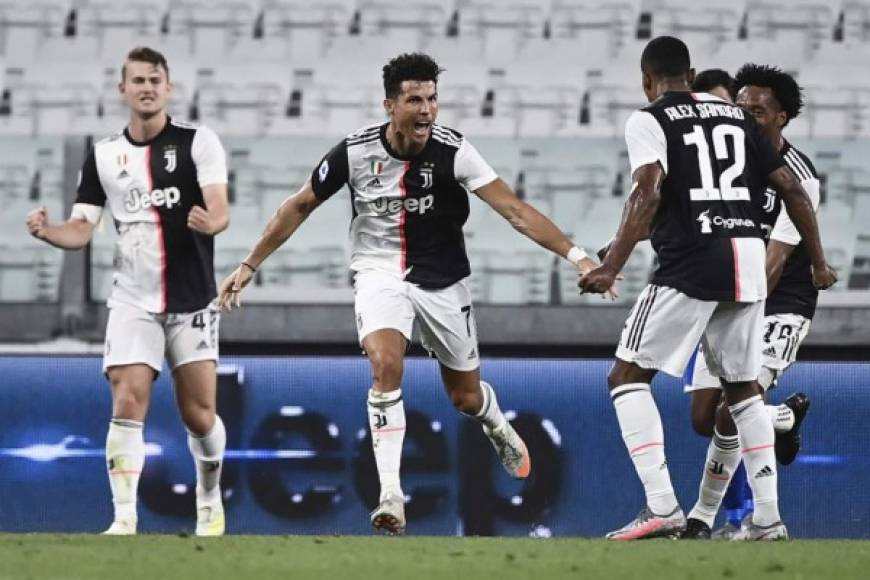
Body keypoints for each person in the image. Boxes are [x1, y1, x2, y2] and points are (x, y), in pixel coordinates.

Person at [217, 52, 609, 536]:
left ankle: (494, 423)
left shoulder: (454, 150)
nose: (426, 110)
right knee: (385, 363)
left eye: (432, 99)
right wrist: (250, 263)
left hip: (443, 280)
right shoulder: (354, 152)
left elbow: (514, 210)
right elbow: (299, 205)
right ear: (389, 104)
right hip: (379, 272)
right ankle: (390, 495)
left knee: (464, 397)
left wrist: (579, 256)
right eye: (415, 100)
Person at [579, 36, 836, 541]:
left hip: (692, 260)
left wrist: (612, 265)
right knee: (740, 392)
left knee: (627, 376)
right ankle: (767, 520)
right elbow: (790, 187)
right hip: (746, 259)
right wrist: (821, 262)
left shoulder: (647, 118)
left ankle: (662, 506)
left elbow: (648, 191)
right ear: (692, 73)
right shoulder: (734, 115)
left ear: (647, 79)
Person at [25, 47, 230, 536]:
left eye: (155, 79)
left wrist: (212, 221)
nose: (146, 87)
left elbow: (220, 207)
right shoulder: (103, 156)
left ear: (168, 87)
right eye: (137, 79)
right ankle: (123, 518)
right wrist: (50, 231)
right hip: (133, 299)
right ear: (123, 89)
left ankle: (208, 496)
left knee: (199, 416)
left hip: (192, 299)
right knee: (127, 399)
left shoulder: (199, 142)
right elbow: (83, 227)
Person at [682, 63, 820, 540]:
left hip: (779, 301)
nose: (746, 117)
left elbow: (776, 260)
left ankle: (703, 517)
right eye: (741, 108)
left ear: (782, 117)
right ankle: (780, 416)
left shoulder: (800, 178)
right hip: (727, 295)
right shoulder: (728, 163)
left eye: (758, 111)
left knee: (730, 411)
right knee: (704, 418)